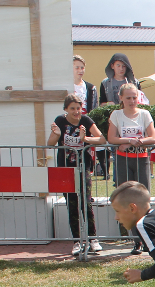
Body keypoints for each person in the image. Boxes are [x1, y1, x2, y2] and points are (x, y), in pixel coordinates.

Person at [48, 95, 105, 256]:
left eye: (78, 108)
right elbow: (50, 143)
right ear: (66, 109)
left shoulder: (86, 120)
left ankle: (93, 239)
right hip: (65, 169)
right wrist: (57, 134)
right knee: (72, 204)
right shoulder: (60, 120)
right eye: (72, 108)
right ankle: (77, 241)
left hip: (83, 167)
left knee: (86, 203)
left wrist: (85, 138)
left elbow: (102, 139)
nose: (76, 111)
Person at [107, 83, 155, 195]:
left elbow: (153, 138)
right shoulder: (116, 114)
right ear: (121, 98)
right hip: (123, 160)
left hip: (142, 159)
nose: (132, 101)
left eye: (134, 98)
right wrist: (129, 140)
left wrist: (133, 143)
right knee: (124, 195)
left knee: (143, 194)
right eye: (128, 98)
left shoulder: (145, 114)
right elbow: (111, 138)